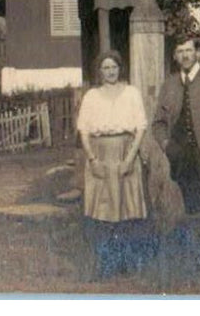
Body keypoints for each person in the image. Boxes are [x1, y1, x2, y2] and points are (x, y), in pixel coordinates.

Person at [75, 50, 148, 279]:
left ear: (120, 68)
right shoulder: (91, 97)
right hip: (100, 154)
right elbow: (84, 131)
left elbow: (140, 129)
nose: (110, 72)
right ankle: (105, 264)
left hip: (126, 152)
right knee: (103, 211)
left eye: (114, 67)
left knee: (128, 210)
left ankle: (128, 263)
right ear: (99, 71)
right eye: (106, 68)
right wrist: (93, 160)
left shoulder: (132, 94)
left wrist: (129, 159)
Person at [152, 35, 200, 216]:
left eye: (188, 50)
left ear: (198, 53)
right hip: (180, 158)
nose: (185, 55)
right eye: (180, 52)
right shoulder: (169, 85)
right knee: (190, 209)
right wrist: (166, 145)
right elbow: (158, 123)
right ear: (174, 56)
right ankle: (194, 242)